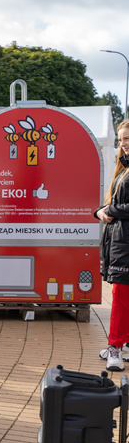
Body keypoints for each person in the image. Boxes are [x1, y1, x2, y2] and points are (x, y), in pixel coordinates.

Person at [97, 120, 129, 370]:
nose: (123, 144)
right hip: (118, 241)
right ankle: (124, 344)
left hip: (124, 243)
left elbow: (118, 207)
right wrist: (100, 211)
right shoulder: (123, 168)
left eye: (127, 138)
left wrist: (110, 210)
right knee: (122, 296)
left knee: (119, 296)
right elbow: (111, 202)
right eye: (120, 140)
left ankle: (115, 348)